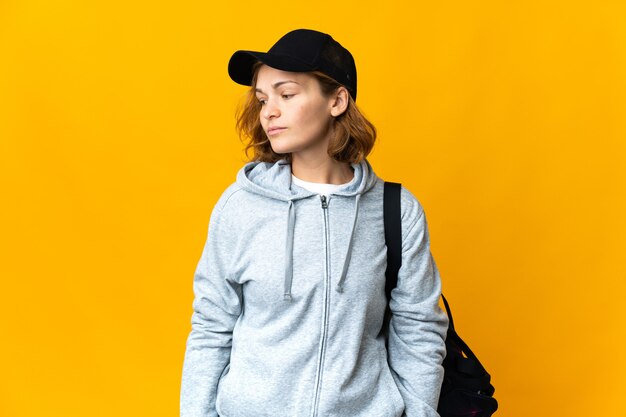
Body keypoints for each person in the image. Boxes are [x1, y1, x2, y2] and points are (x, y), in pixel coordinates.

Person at [180, 28, 449, 417]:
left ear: (337, 100)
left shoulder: (396, 210)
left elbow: (419, 330)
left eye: (286, 95)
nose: (269, 111)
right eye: (262, 99)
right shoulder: (241, 207)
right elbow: (211, 328)